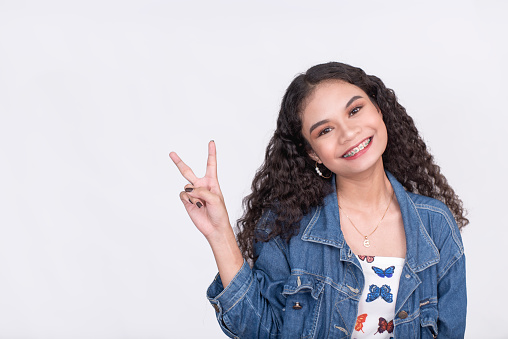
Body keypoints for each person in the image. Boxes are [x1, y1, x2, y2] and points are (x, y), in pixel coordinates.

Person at [169, 62, 468, 338]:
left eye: (355, 111)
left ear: (379, 110)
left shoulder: (435, 225)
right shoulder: (285, 225)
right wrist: (220, 235)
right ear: (313, 152)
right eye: (325, 130)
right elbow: (261, 332)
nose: (349, 132)